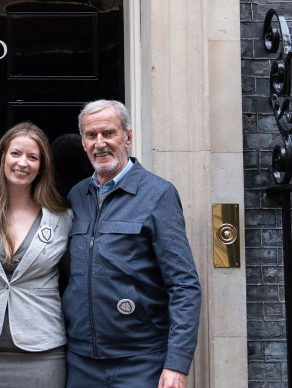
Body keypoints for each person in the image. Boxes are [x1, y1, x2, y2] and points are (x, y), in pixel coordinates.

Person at [62, 100, 201, 388]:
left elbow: (184, 285)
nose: (100, 143)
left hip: (140, 363)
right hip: (81, 361)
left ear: (127, 137)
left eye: (108, 133)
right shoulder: (77, 196)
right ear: (83, 143)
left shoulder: (158, 194)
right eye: (91, 135)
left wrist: (177, 363)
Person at [0, 122, 72, 388]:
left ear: (42, 166)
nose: (23, 163)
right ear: (2, 158)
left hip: (44, 351)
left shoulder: (61, 216)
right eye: (15, 154)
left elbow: (74, 279)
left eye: (32, 157)